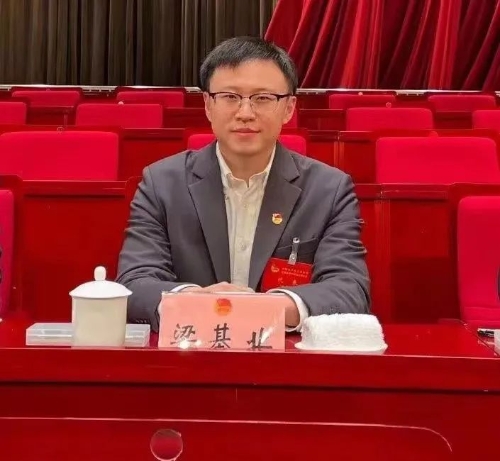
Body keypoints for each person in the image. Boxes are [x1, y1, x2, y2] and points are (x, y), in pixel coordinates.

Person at [116, 36, 370, 332]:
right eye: (230, 97)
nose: (245, 113)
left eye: (263, 98)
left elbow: (350, 289)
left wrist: (265, 308)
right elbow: (134, 284)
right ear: (208, 105)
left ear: (289, 108)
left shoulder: (328, 190)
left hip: (284, 351)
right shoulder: (161, 183)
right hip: (191, 349)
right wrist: (194, 301)